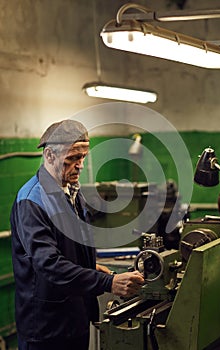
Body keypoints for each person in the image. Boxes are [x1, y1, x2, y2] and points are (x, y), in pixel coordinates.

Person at [10, 119, 144, 350]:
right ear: (50, 156)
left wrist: (90, 266)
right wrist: (108, 282)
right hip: (46, 327)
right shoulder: (31, 201)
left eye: (83, 157)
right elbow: (49, 264)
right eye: (72, 158)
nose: (80, 165)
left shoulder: (72, 191)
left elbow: (71, 245)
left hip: (75, 317)